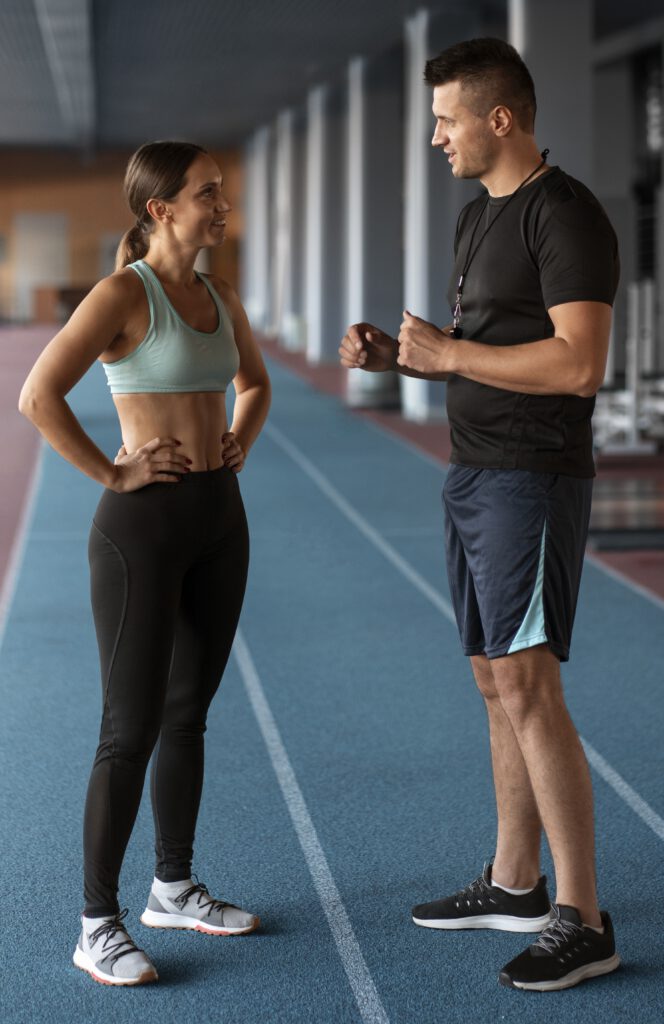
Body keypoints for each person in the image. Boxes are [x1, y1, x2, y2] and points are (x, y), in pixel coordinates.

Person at [340, 38, 620, 992]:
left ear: (500, 118)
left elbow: (581, 363)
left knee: (529, 686)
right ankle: (516, 881)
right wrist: (403, 356)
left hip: (532, 478)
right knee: (494, 683)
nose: (435, 137)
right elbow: (483, 341)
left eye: (447, 119)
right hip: (474, 472)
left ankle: (583, 916)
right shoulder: (476, 218)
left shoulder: (565, 215)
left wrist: (452, 361)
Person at [19, 141, 271, 986]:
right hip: (143, 529)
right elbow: (38, 395)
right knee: (128, 731)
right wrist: (113, 470)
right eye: (208, 194)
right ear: (161, 208)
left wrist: (241, 439)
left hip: (218, 520)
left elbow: (256, 385)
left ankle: (173, 885)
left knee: (188, 714)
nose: (222, 205)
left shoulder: (220, 295)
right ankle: (97, 923)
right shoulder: (124, 294)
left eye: (222, 192)